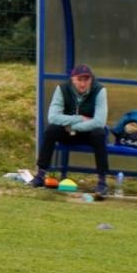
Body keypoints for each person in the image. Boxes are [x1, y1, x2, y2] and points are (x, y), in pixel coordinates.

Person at [33, 64, 110, 195]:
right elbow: (53, 117)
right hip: (67, 131)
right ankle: (40, 174)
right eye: (79, 79)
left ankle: (102, 181)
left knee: (99, 133)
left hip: (87, 132)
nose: (83, 83)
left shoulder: (99, 90)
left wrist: (73, 127)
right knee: (51, 130)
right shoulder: (62, 89)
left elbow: (99, 122)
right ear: (73, 79)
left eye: (86, 79)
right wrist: (78, 118)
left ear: (91, 79)